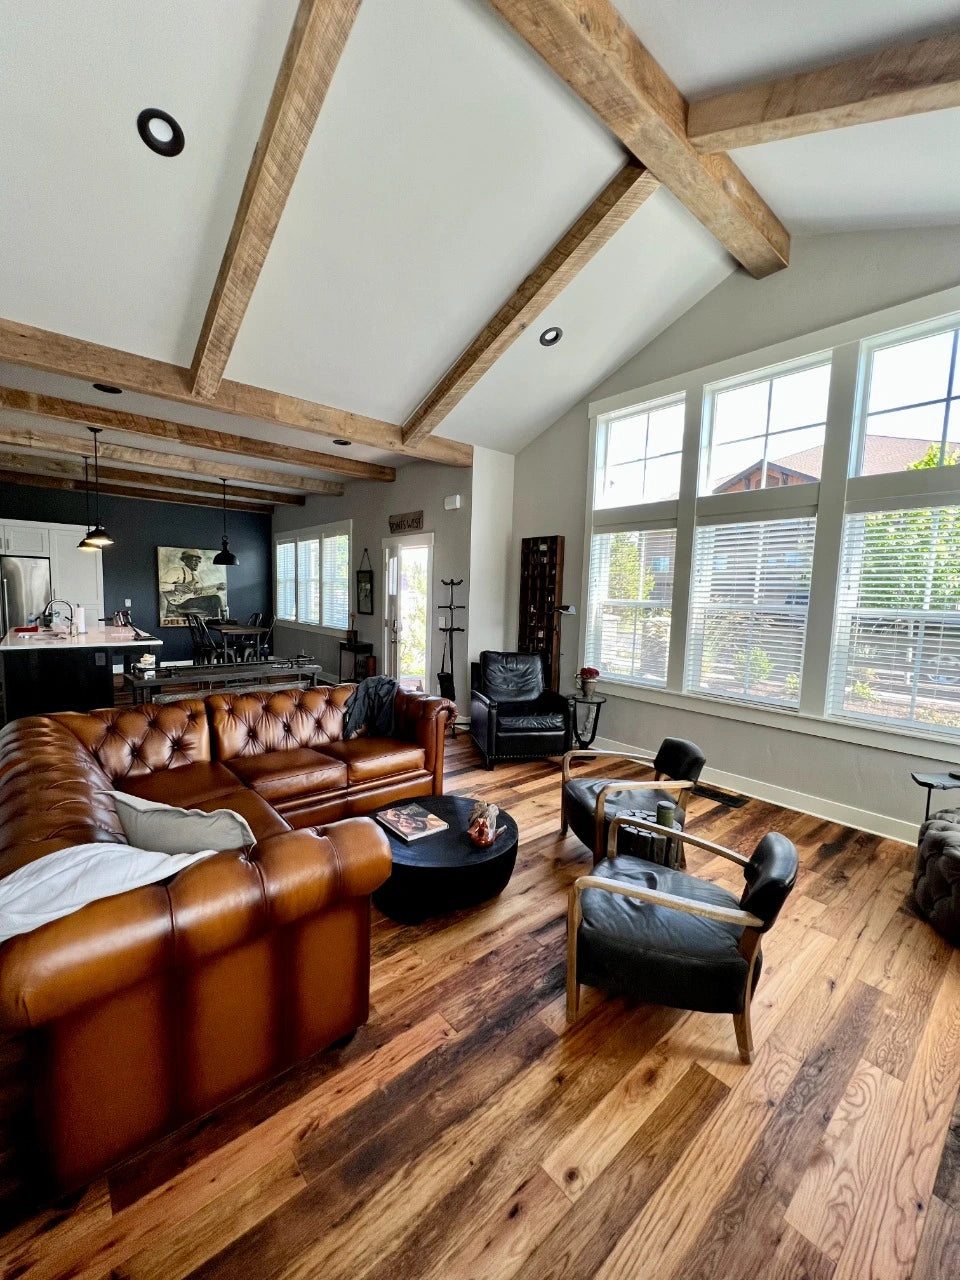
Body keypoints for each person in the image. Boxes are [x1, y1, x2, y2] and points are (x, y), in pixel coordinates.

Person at [160, 550, 226, 620]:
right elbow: (159, 585)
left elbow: (201, 593)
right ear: (185, 560)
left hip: (188, 601)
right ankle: (220, 621)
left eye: (198, 561)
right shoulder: (176, 571)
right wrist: (175, 587)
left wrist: (217, 589)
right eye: (194, 560)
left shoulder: (195, 577)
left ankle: (214, 621)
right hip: (178, 603)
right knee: (215, 599)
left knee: (215, 599)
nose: (197, 563)